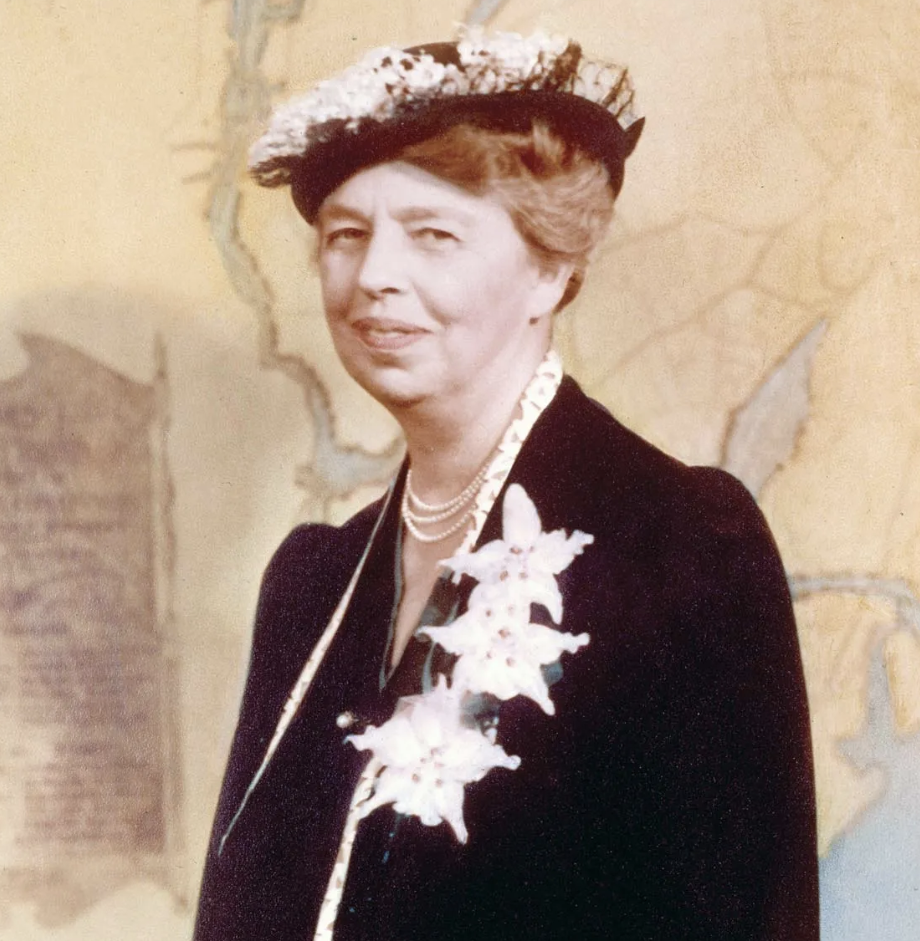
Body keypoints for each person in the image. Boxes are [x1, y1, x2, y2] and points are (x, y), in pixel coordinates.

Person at [193, 29, 819, 941]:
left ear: (551, 268)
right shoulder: (311, 579)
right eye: (346, 236)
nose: (375, 278)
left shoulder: (682, 545)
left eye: (433, 234)